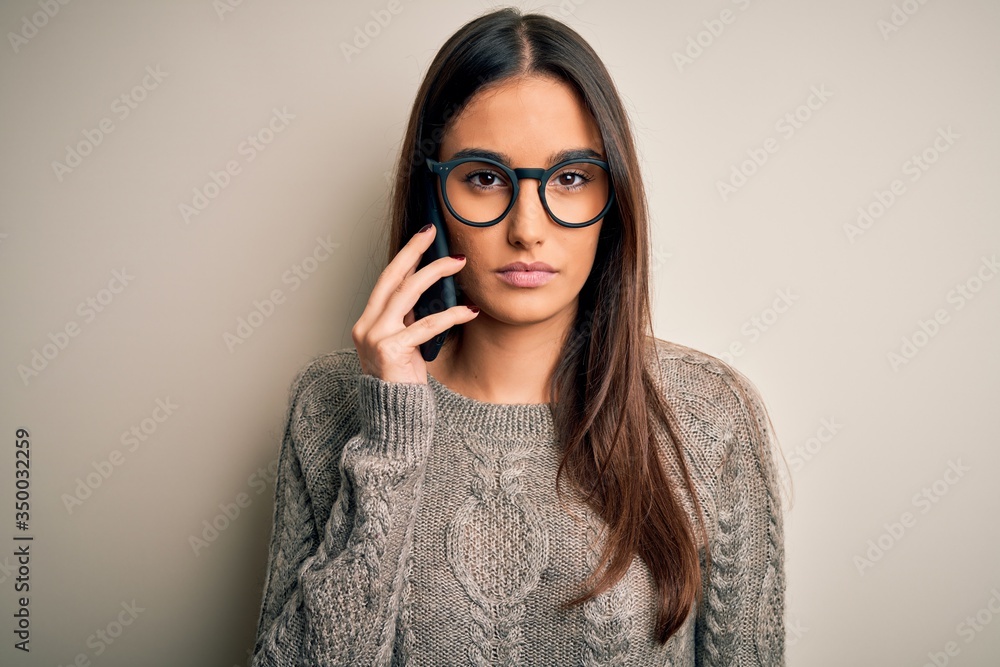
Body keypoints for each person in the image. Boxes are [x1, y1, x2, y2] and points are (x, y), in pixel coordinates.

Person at [250, 6, 789, 666]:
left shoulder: (709, 413)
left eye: (569, 177)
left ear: (611, 198)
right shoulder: (330, 403)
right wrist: (391, 436)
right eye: (483, 177)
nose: (528, 227)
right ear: (434, 195)